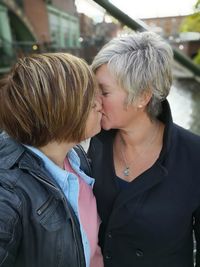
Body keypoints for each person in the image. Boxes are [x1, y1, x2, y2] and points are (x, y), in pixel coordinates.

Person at [88, 31, 200, 267]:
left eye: (104, 92)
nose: (94, 101)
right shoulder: (92, 142)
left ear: (142, 96)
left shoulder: (194, 156)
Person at [0, 53, 104, 267]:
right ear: (60, 109)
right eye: (88, 98)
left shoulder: (75, 157)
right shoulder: (8, 194)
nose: (99, 104)